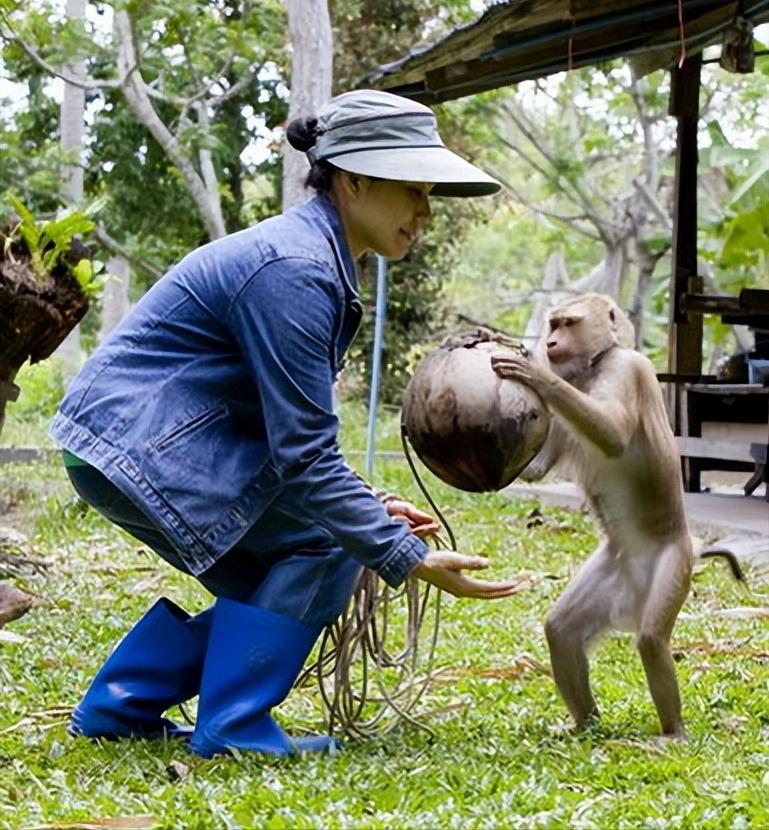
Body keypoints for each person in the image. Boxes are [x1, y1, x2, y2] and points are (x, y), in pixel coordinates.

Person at [50, 89, 515, 759]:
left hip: (128, 444)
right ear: (353, 181)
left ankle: (121, 705)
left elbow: (292, 438)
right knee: (327, 544)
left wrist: (372, 512)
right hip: (136, 444)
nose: (425, 211)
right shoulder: (296, 271)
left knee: (285, 573)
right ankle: (232, 730)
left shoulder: (311, 258)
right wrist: (401, 552)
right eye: (413, 189)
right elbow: (303, 455)